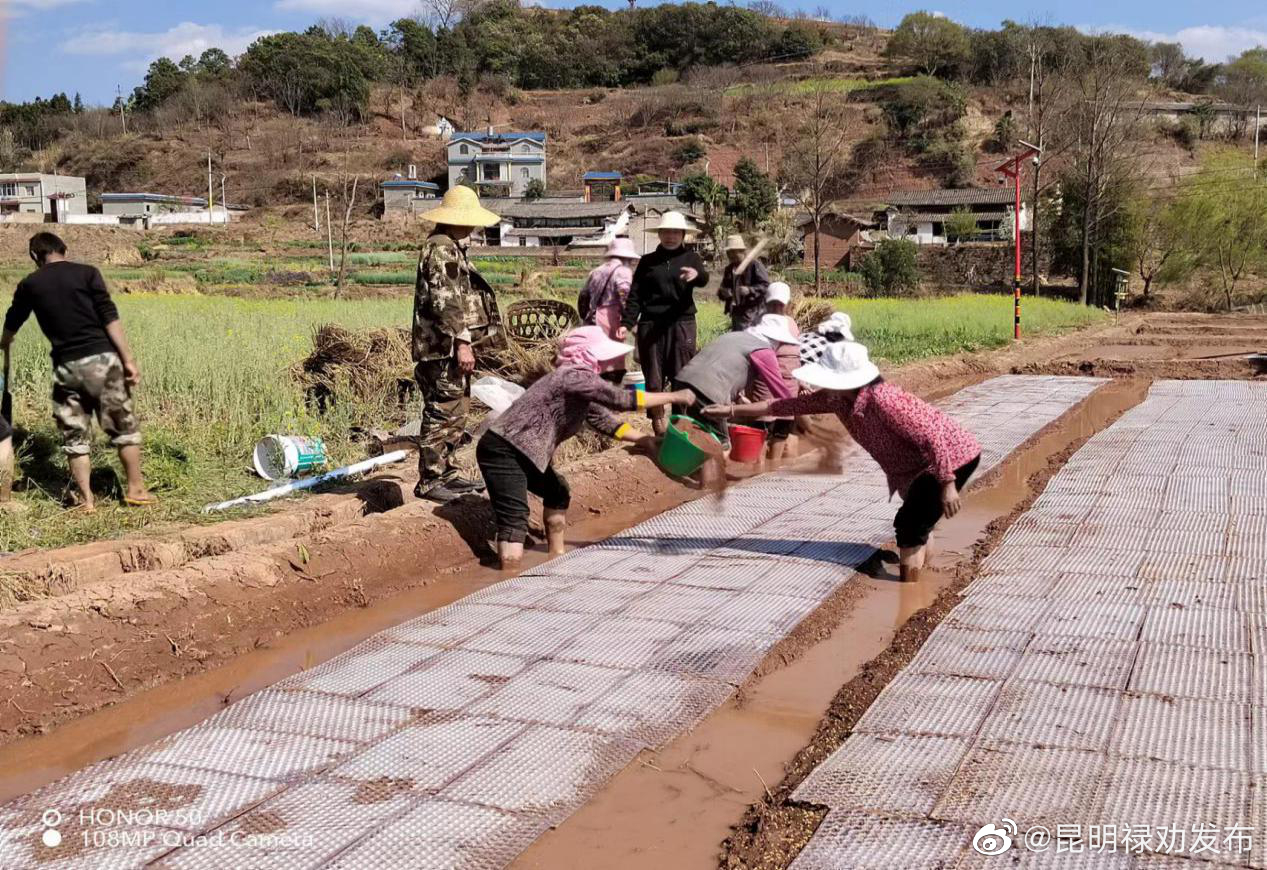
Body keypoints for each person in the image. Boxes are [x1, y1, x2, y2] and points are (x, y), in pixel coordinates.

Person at [705, 339, 981, 583]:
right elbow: (781, 405)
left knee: (909, 525)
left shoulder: (884, 400)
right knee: (919, 521)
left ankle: (908, 595)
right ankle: (919, 579)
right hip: (919, 466)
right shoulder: (837, 399)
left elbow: (932, 437)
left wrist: (947, 483)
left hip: (951, 458)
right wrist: (731, 410)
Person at [477, 326, 694, 569]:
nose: (610, 365)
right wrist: (674, 396)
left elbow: (605, 421)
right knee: (515, 519)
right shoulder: (573, 376)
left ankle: (555, 558)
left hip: (526, 452)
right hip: (504, 449)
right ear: (589, 355)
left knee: (557, 492)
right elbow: (622, 400)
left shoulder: (579, 386)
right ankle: (510, 573)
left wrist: (644, 440)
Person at [0, 232, 151, 513]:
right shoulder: (87, 273)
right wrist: (128, 360)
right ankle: (136, 489)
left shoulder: (30, 284)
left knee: (75, 437)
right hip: (102, 360)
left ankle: (86, 500)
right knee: (123, 428)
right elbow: (109, 316)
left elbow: (13, 319)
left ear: (34, 255)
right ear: (64, 250)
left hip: (66, 367)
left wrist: (5, 341)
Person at [413, 187, 503, 504]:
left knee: (456, 409)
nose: (473, 227)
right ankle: (431, 480)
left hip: (446, 346)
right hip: (442, 347)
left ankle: (446, 472)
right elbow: (446, 302)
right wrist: (462, 342)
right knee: (442, 410)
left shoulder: (450, 247)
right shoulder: (441, 249)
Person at [621, 211, 709, 437]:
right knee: (653, 377)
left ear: (683, 235)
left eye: (675, 232)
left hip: (681, 323)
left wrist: (696, 275)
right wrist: (626, 322)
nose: (671, 236)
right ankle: (658, 422)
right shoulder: (647, 262)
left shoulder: (691, 258)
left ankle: (680, 423)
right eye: (666, 232)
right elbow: (635, 295)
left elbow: (703, 278)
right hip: (651, 324)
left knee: (682, 374)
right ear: (659, 234)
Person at [672, 317, 796, 418]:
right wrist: (738, 410)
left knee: (681, 433)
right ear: (778, 340)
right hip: (706, 393)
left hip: (681, 382)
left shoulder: (735, 336)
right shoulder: (764, 351)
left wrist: (739, 398)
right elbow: (787, 401)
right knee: (718, 440)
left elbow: (722, 367)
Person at [576, 236, 639, 383]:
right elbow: (624, 296)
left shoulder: (596, 271)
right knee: (613, 356)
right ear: (627, 257)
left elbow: (584, 294)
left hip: (592, 316)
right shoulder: (623, 271)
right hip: (611, 316)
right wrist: (630, 322)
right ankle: (612, 387)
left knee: (597, 353)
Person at [744, 313, 801, 462]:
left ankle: (773, 467)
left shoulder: (792, 323)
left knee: (783, 427)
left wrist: (800, 381)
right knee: (763, 426)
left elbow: (797, 357)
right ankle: (759, 467)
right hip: (766, 380)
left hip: (790, 382)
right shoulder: (761, 321)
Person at [718, 234, 770, 331]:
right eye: (728, 252)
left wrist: (750, 290)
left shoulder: (754, 265)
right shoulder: (729, 269)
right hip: (736, 313)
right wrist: (724, 293)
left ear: (741, 251)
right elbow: (722, 289)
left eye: (733, 252)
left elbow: (766, 286)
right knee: (738, 338)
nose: (730, 255)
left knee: (750, 339)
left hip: (753, 314)